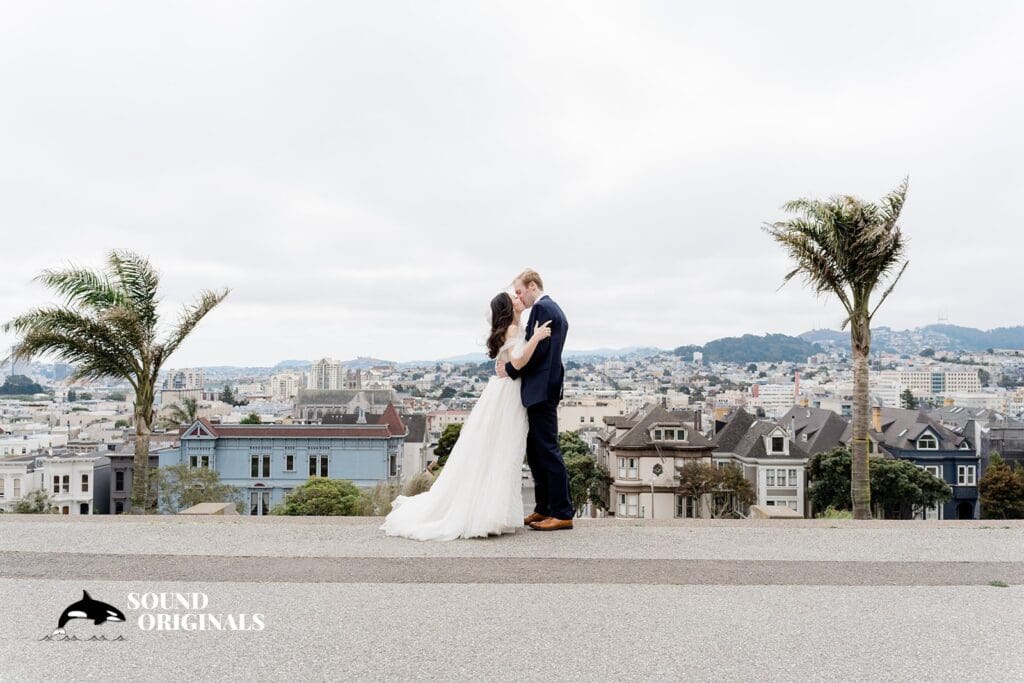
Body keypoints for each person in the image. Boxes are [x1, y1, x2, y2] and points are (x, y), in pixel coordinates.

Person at [380, 290, 552, 541]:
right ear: (507, 308)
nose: (518, 298)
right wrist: (536, 338)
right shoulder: (514, 331)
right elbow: (517, 362)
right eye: (513, 298)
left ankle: (490, 510)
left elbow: (506, 361)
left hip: (503, 392)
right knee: (502, 450)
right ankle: (490, 512)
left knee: (498, 450)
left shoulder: (514, 327)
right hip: (508, 395)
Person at [495, 269, 574, 530]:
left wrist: (511, 369)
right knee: (538, 452)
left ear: (531, 286)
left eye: (519, 291)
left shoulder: (542, 309)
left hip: (541, 390)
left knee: (547, 451)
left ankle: (561, 511)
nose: (519, 297)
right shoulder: (554, 309)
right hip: (544, 388)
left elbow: (536, 354)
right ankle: (544, 508)